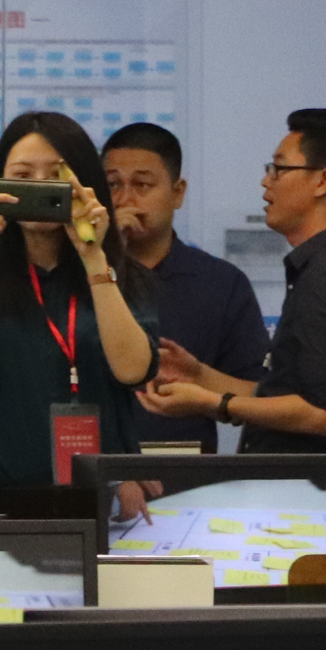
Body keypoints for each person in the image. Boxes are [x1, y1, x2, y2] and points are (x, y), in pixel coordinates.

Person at [0, 113, 158, 504]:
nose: (40, 187)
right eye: (23, 176)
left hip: (101, 493)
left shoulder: (117, 274)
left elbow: (132, 370)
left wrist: (93, 258)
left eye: (56, 175)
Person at [144, 109, 326, 455]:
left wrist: (214, 403)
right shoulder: (319, 266)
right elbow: (280, 396)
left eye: (279, 169)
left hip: (299, 483)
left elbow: (318, 413)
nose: (266, 182)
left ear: (322, 182)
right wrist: (199, 376)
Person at [102, 124, 269, 451]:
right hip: (88, 462)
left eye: (142, 184)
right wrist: (105, 258)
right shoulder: (83, 276)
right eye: (113, 185)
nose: (124, 199)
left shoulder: (221, 283)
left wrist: (200, 379)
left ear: (178, 193)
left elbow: (259, 395)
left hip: (183, 467)